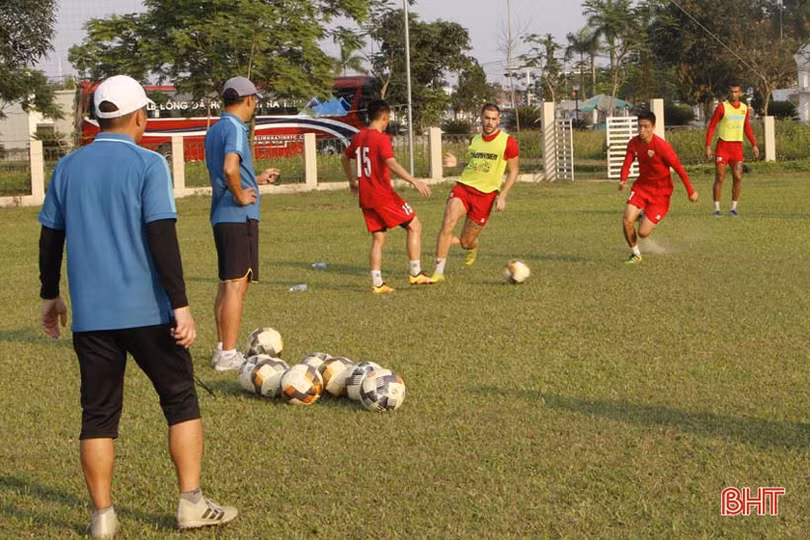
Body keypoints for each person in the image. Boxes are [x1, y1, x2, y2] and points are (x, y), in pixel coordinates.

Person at [37, 75, 237, 539]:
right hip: (148, 310)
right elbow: (161, 237)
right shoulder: (149, 164)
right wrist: (181, 305)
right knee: (181, 400)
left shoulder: (67, 167)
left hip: (91, 318)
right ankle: (190, 503)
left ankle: (102, 517)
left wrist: (50, 294)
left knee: (98, 415)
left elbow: (51, 238)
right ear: (139, 116)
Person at [205, 76, 279, 371]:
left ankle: (223, 347)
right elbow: (229, 168)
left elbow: (229, 171)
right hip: (237, 216)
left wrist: (256, 180)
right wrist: (239, 195)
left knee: (227, 284)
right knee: (237, 285)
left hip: (221, 216)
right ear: (248, 100)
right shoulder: (237, 128)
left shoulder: (216, 129)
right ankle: (228, 355)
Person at [340, 99, 433, 294]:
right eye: (387, 119)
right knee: (415, 226)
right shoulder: (381, 139)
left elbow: (344, 157)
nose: (387, 122)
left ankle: (377, 283)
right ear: (383, 117)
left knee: (378, 238)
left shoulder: (359, 137)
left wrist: (352, 181)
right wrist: (414, 180)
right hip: (383, 196)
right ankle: (415, 273)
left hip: (366, 198)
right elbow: (391, 163)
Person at [430, 103, 519, 282]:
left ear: (499, 120)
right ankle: (438, 273)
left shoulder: (507, 142)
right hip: (464, 187)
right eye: (487, 118)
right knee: (448, 222)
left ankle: (472, 246)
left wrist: (502, 195)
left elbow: (514, 171)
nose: (490, 122)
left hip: (486, 196)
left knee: (466, 241)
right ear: (481, 117)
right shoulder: (475, 140)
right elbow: (472, 164)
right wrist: (458, 164)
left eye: (494, 119)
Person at [619, 110, 699, 263]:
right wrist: (623, 179)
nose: (642, 130)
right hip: (641, 188)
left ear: (653, 127)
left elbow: (679, 169)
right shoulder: (634, 143)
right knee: (627, 220)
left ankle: (644, 216)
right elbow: (627, 162)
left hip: (661, 194)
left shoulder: (662, 146)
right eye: (640, 126)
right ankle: (636, 254)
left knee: (642, 233)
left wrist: (691, 191)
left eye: (646, 127)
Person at [705, 81, 759, 217]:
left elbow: (746, 126)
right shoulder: (722, 107)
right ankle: (716, 208)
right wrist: (708, 146)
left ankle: (733, 208)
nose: (734, 94)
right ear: (729, 93)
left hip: (737, 148)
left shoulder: (744, 108)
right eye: (731, 92)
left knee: (738, 177)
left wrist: (754, 144)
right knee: (720, 177)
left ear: (740, 93)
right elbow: (712, 126)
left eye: (736, 92)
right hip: (723, 146)